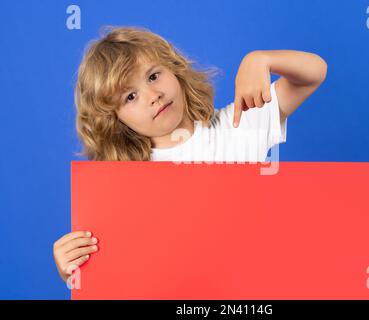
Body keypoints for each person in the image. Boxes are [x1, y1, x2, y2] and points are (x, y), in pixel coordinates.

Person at [54, 26, 327, 283]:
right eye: (130, 97)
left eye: (153, 76)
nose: (153, 95)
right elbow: (121, 277)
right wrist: (75, 271)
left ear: (175, 71)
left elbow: (313, 74)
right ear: (115, 119)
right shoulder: (123, 187)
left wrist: (261, 59)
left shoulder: (238, 127)